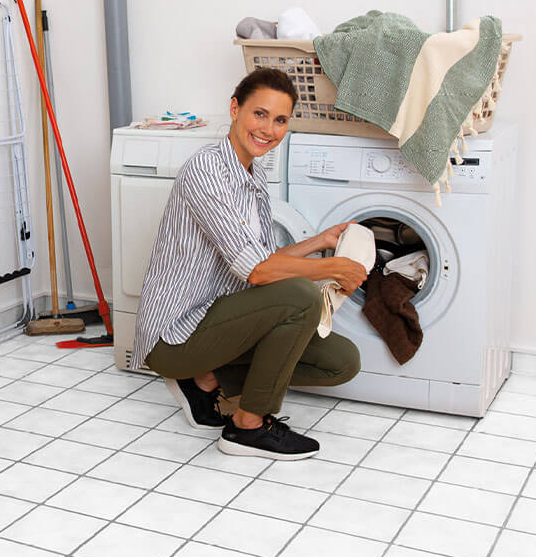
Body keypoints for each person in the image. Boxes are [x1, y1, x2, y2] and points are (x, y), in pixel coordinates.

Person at [132, 68, 366, 460]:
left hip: (219, 320)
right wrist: (332, 268)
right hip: (174, 334)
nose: (269, 129)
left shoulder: (254, 174)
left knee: (341, 361)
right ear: (235, 109)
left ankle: (206, 381)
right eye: (260, 114)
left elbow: (263, 259)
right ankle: (247, 427)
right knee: (300, 295)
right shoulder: (205, 171)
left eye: (280, 120)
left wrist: (321, 242)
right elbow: (259, 272)